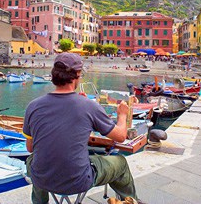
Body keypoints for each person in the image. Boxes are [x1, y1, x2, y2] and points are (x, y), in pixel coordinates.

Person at [23, 52, 142, 204]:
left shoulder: (33, 106)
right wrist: (122, 115)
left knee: (35, 161)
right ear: (77, 75)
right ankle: (131, 201)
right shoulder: (88, 106)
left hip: (43, 179)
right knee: (121, 163)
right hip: (78, 180)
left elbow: (30, 147)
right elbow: (120, 136)